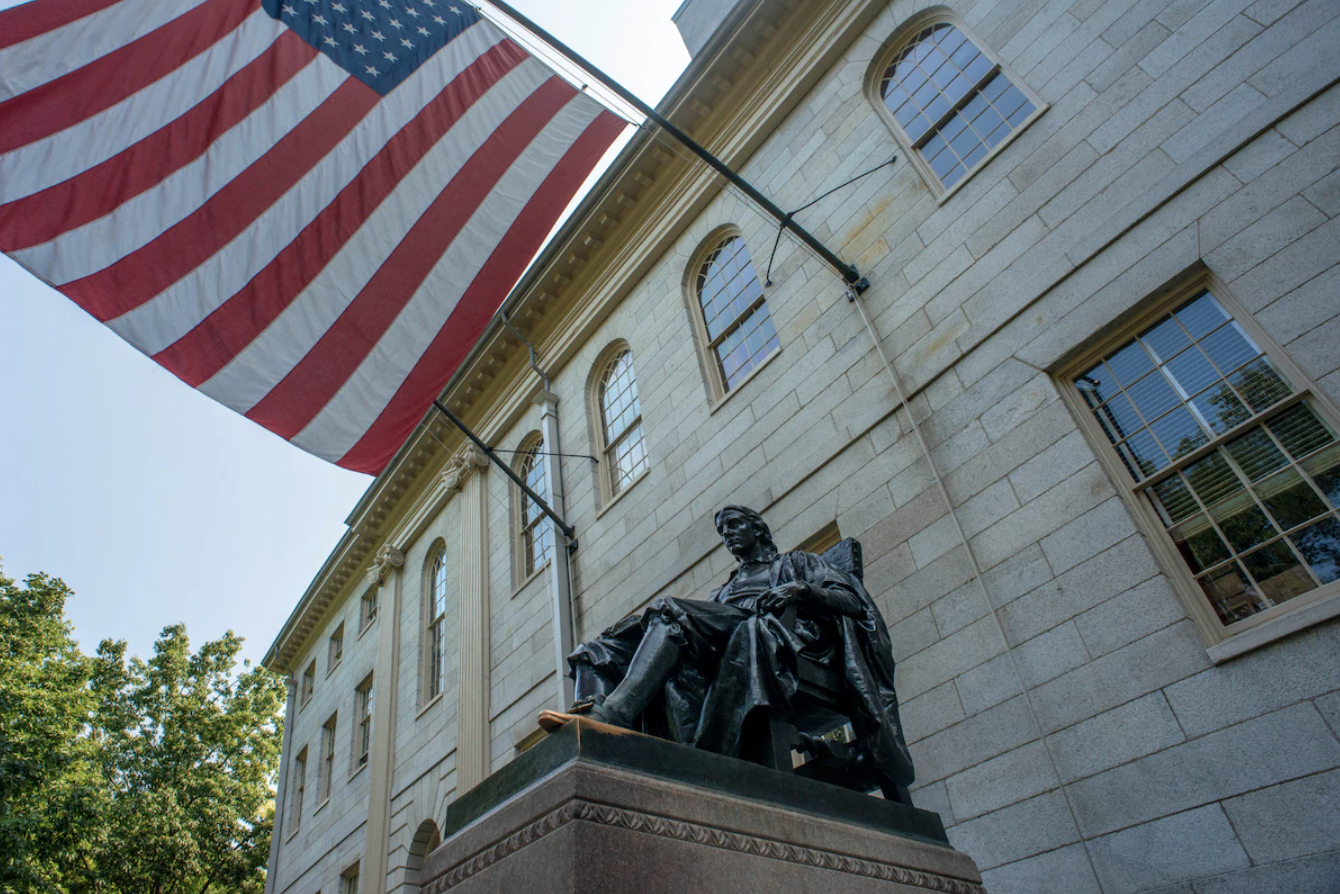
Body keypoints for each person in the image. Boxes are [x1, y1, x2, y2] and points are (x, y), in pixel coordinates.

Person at [537, 505, 914, 791]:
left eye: (734, 525)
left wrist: (802, 590)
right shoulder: (724, 590)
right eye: (723, 530)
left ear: (758, 529)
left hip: (779, 637)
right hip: (731, 640)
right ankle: (587, 721)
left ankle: (615, 716)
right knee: (598, 646)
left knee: (669, 613)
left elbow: (853, 601)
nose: (728, 534)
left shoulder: (796, 563)